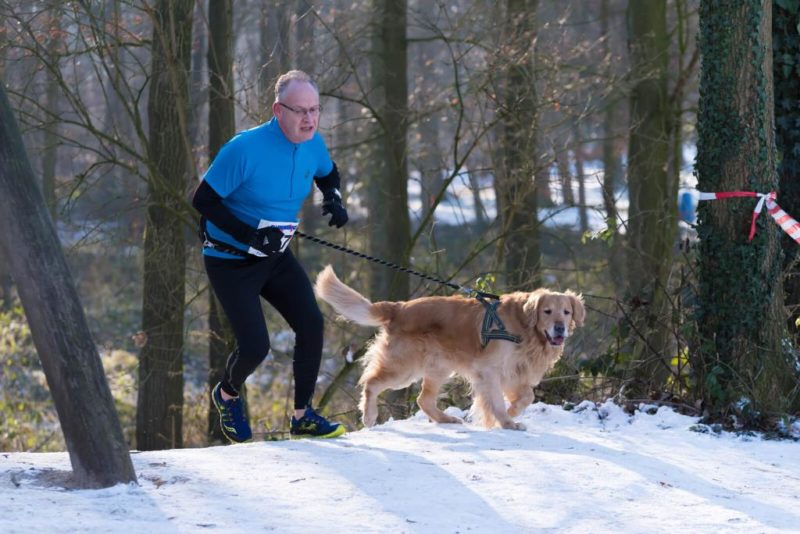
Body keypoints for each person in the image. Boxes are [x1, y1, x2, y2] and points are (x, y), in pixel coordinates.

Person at [192, 70, 349, 442]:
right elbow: (203, 200)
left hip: (274, 255)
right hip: (230, 260)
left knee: (311, 324)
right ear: (278, 110)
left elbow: (328, 174)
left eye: (315, 110)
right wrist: (249, 235)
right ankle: (227, 394)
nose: (309, 119)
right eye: (300, 111)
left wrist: (334, 197)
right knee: (255, 346)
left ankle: (302, 416)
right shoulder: (244, 148)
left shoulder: (313, 143)